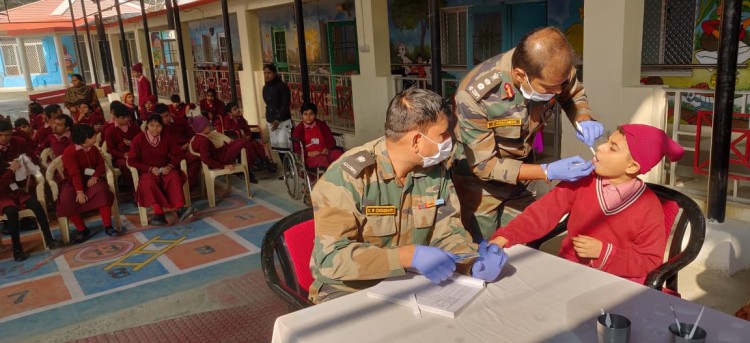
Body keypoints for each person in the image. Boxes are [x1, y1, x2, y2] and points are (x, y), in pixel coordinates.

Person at [309, 88, 508, 304]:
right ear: (415, 141)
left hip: (407, 284)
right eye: (443, 134)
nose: (450, 139)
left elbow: (447, 232)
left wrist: (472, 262)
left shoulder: (434, 171)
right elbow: (330, 259)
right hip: (349, 290)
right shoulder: (348, 177)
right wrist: (407, 256)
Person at [452, 26, 604, 241]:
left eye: (561, 84)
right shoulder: (475, 95)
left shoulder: (555, 70)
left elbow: (572, 95)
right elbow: (485, 165)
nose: (558, 92)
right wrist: (548, 170)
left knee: (522, 243)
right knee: (482, 247)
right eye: (550, 88)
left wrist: (583, 119)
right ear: (520, 75)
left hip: (523, 176)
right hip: (480, 187)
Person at [490, 124, 684, 283]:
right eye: (606, 141)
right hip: (569, 272)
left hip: (618, 285)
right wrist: (504, 237)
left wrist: (604, 252)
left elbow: (649, 260)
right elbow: (541, 214)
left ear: (632, 166)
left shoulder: (649, 207)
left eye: (612, 147)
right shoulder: (582, 182)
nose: (600, 147)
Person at [0, 120, 62, 261]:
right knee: (11, 212)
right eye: (1, 135)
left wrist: (25, 164)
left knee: (35, 204)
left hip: (17, 188)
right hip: (2, 193)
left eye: (7, 135)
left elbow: (33, 161)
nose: (4, 138)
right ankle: (17, 249)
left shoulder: (19, 142)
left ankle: (49, 239)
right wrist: (10, 170)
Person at [127, 114, 194, 226]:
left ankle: (180, 209)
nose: (155, 129)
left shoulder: (166, 137)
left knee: (174, 176)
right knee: (148, 182)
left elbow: (179, 154)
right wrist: (149, 169)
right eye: (152, 125)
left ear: (162, 127)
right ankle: (159, 214)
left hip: (164, 169)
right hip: (148, 172)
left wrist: (169, 166)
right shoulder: (139, 139)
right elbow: (132, 160)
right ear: (147, 125)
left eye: (158, 126)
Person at [58, 124, 118, 243]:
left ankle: (108, 226)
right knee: (66, 199)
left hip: (91, 179)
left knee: (102, 191)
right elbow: (75, 173)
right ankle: (82, 229)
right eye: (92, 136)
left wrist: (95, 176)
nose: (95, 136)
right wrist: (79, 192)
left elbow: (101, 164)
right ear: (84, 138)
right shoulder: (70, 152)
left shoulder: (93, 148)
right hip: (74, 182)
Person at [188, 116, 258, 184]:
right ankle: (249, 167)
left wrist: (226, 147)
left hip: (219, 155)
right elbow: (205, 159)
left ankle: (248, 167)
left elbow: (212, 152)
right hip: (221, 160)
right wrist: (223, 166)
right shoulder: (203, 141)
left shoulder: (197, 138)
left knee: (240, 141)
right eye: (208, 125)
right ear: (202, 128)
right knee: (243, 142)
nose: (210, 126)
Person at [215, 102, 276, 172]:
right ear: (229, 113)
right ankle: (256, 162)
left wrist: (248, 135)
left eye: (237, 108)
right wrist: (240, 131)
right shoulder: (227, 119)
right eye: (234, 109)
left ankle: (263, 161)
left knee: (254, 143)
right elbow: (230, 130)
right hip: (235, 140)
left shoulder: (240, 118)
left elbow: (247, 128)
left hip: (245, 138)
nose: (237, 110)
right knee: (249, 145)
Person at [155, 104, 201, 190]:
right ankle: (175, 189)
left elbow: (192, 135)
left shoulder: (180, 121)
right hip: (169, 154)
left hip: (184, 149)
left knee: (194, 158)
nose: (165, 119)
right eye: (162, 117)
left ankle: (188, 188)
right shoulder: (157, 127)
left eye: (167, 116)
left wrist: (188, 143)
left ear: (170, 113)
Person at [291, 102, 343, 170]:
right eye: (305, 114)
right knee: (323, 161)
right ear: (302, 115)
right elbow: (297, 149)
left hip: (325, 152)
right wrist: (308, 153)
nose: (308, 117)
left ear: (315, 115)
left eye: (311, 114)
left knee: (340, 155)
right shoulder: (298, 130)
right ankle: (327, 179)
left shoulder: (322, 125)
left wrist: (327, 148)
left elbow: (331, 140)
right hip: (310, 157)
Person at [104, 104, 138, 191]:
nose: (126, 120)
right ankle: (134, 190)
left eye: (127, 117)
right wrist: (124, 155)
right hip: (120, 157)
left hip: (136, 153)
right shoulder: (110, 131)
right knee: (126, 167)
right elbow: (111, 150)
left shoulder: (134, 127)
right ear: (115, 117)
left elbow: (141, 141)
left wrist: (132, 144)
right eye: (123, 118)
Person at [262, 64, 292, 154]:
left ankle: (288, 167)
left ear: (275, 74)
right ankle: (284, 167)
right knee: (277, 149)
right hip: (271, 121)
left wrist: (278, 119)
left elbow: (285, 104)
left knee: (284, 150)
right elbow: (268, 104)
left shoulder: (282, 86)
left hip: (282, 122)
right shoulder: (265, 88)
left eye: (269, 73)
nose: (266, 75)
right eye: (265, 73)